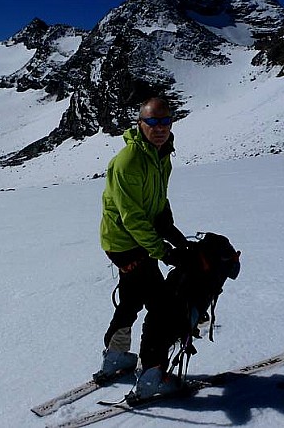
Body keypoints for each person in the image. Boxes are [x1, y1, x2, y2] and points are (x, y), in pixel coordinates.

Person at [97, 96, 189, 399]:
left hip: (137, 239)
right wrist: (163, 251)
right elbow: (132, 217)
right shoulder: (128, 161)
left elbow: (157, 201)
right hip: (125, 243)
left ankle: (116, 358)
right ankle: (152, 375)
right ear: (141, 124)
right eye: (153, 122)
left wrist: (170, 229)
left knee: (132, 299)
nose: (160, 128)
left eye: (165, 122)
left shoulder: (162, 156)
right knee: (162, 306)